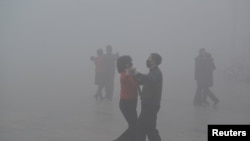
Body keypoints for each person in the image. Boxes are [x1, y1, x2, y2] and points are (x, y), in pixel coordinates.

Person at [131, 53, 163, 141]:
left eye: (150, 58)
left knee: (140, 127)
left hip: (151, 106)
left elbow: (148, 80)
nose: (148, 60)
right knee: (150, 129)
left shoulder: (156, 72)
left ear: (154, 61)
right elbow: (143, 81)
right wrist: (134, 75)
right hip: (149, 105)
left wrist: (136, 73)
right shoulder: (152, 72)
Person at [114, 55, 138, 141]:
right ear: (125, 65)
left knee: (134, 126)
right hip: (126, 104)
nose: (131, 64)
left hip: (131, 103)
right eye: (129, 62)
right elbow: (126, 77)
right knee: (134, 126)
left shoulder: (129, 73)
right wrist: (131, 71)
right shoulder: (124, 74)